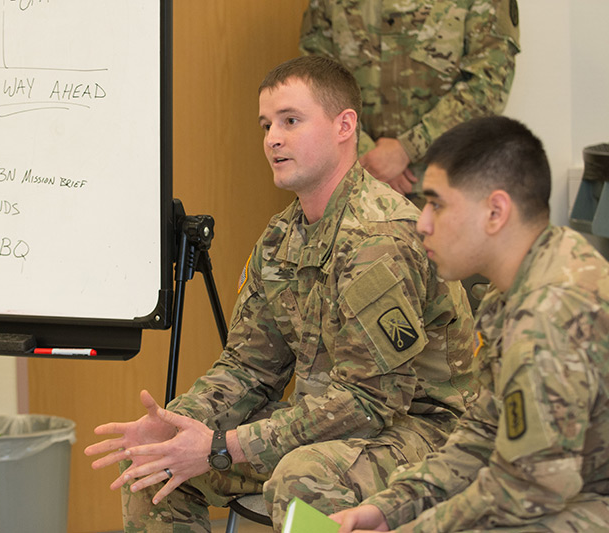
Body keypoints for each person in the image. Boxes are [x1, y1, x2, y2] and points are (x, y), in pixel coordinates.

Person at [84, 55, 475, 532]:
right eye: (267, 124)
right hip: (327, 425)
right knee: (152, 466)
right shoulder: (281, 236)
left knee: (304, 479)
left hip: (424, 430)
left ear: (344, 126)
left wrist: (224, 446)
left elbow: (371, 402)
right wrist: (182, 423)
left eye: (291, 121)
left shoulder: (379, 239)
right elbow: (248, 366)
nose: (272, 138)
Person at [331, 116, 609, 532]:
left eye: (437, 204)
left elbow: (527, 489)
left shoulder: (547, 315)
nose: (422, 222)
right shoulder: (519, 282)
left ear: (496, 211)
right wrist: (389, 509)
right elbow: (482, 433)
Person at [299, 0, 520, 198]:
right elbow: (317, 79)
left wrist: (407, 148)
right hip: (350, 183)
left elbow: (489, 84)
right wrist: (364, 151)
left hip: (448, 189)